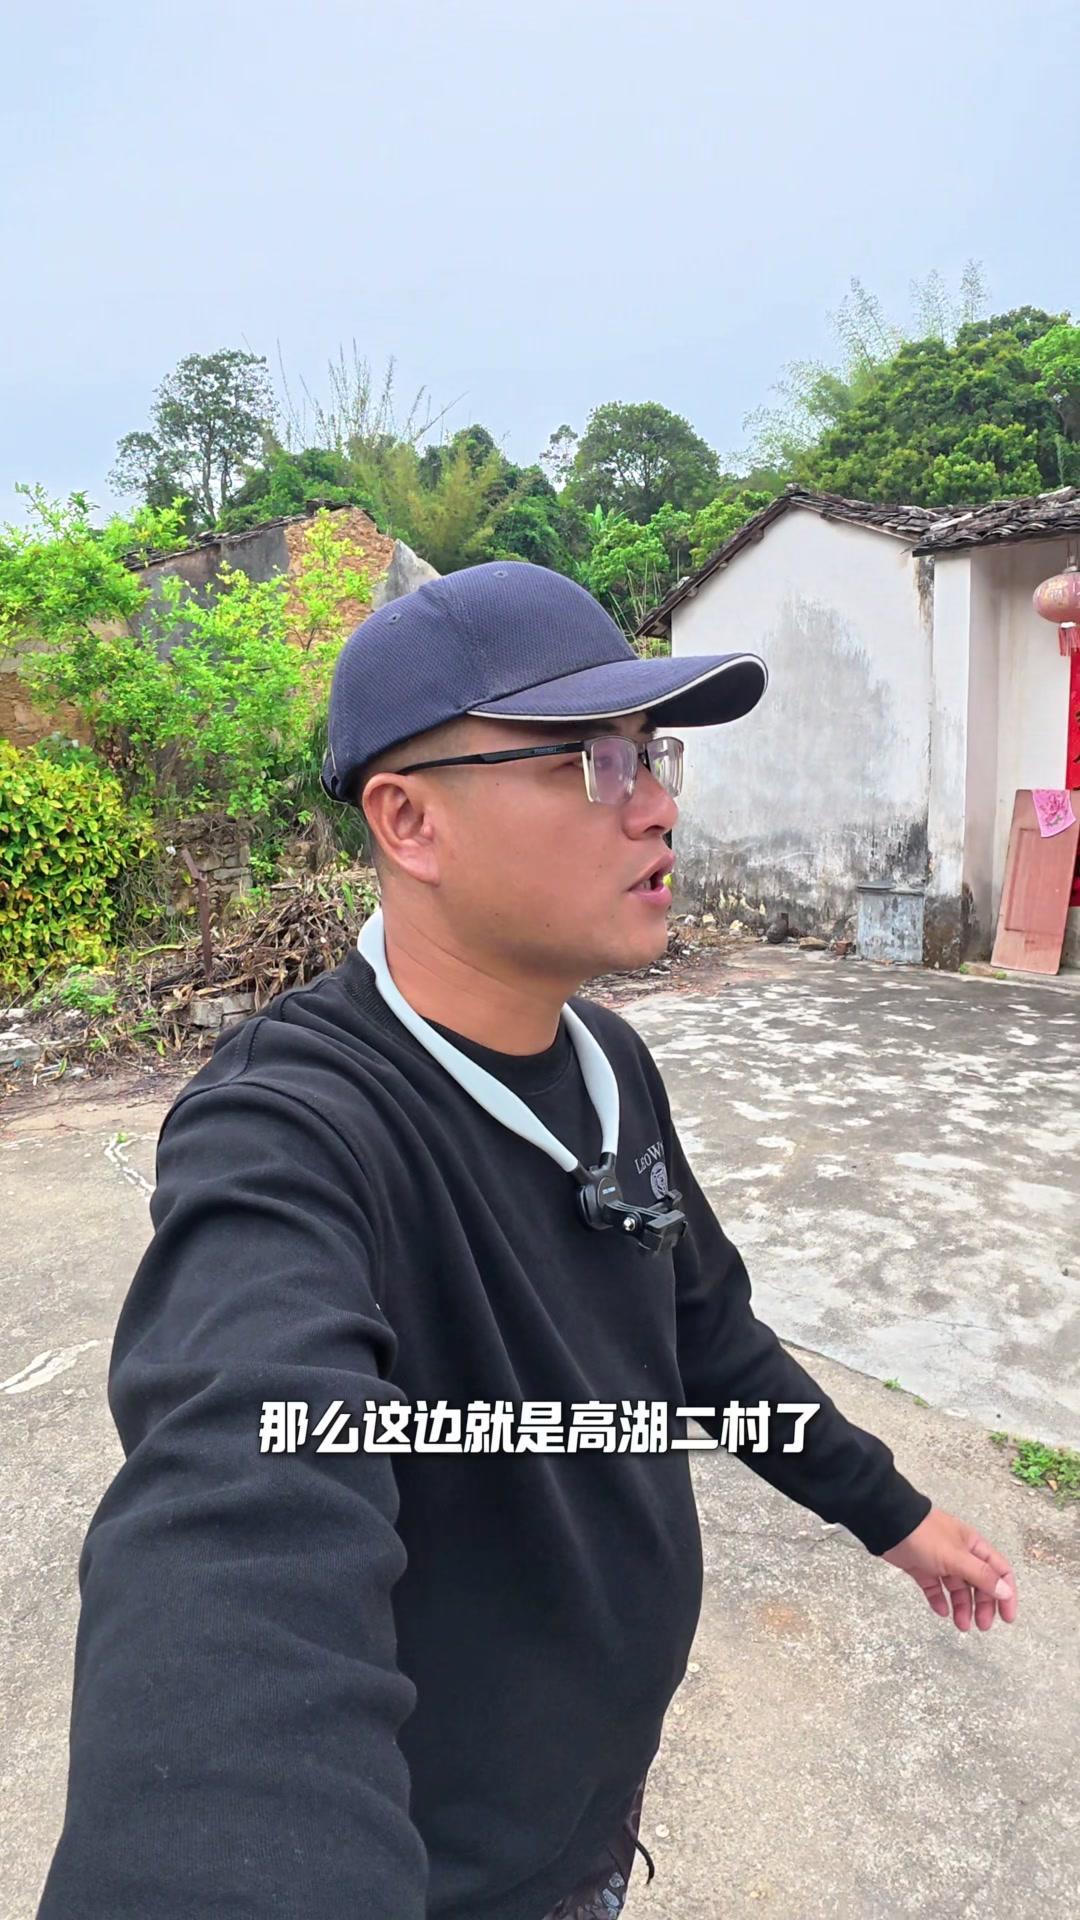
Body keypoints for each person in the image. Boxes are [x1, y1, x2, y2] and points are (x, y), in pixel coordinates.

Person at [38, 561, 1018, 1920]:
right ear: (410, 820)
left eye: (653, 754)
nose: (658, 803)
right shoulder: (291, 1131)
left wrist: (891, 1512)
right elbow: (237, 1514)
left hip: (595, 1809)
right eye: (592, 761)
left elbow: (707, 1339)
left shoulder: (610, 1068)